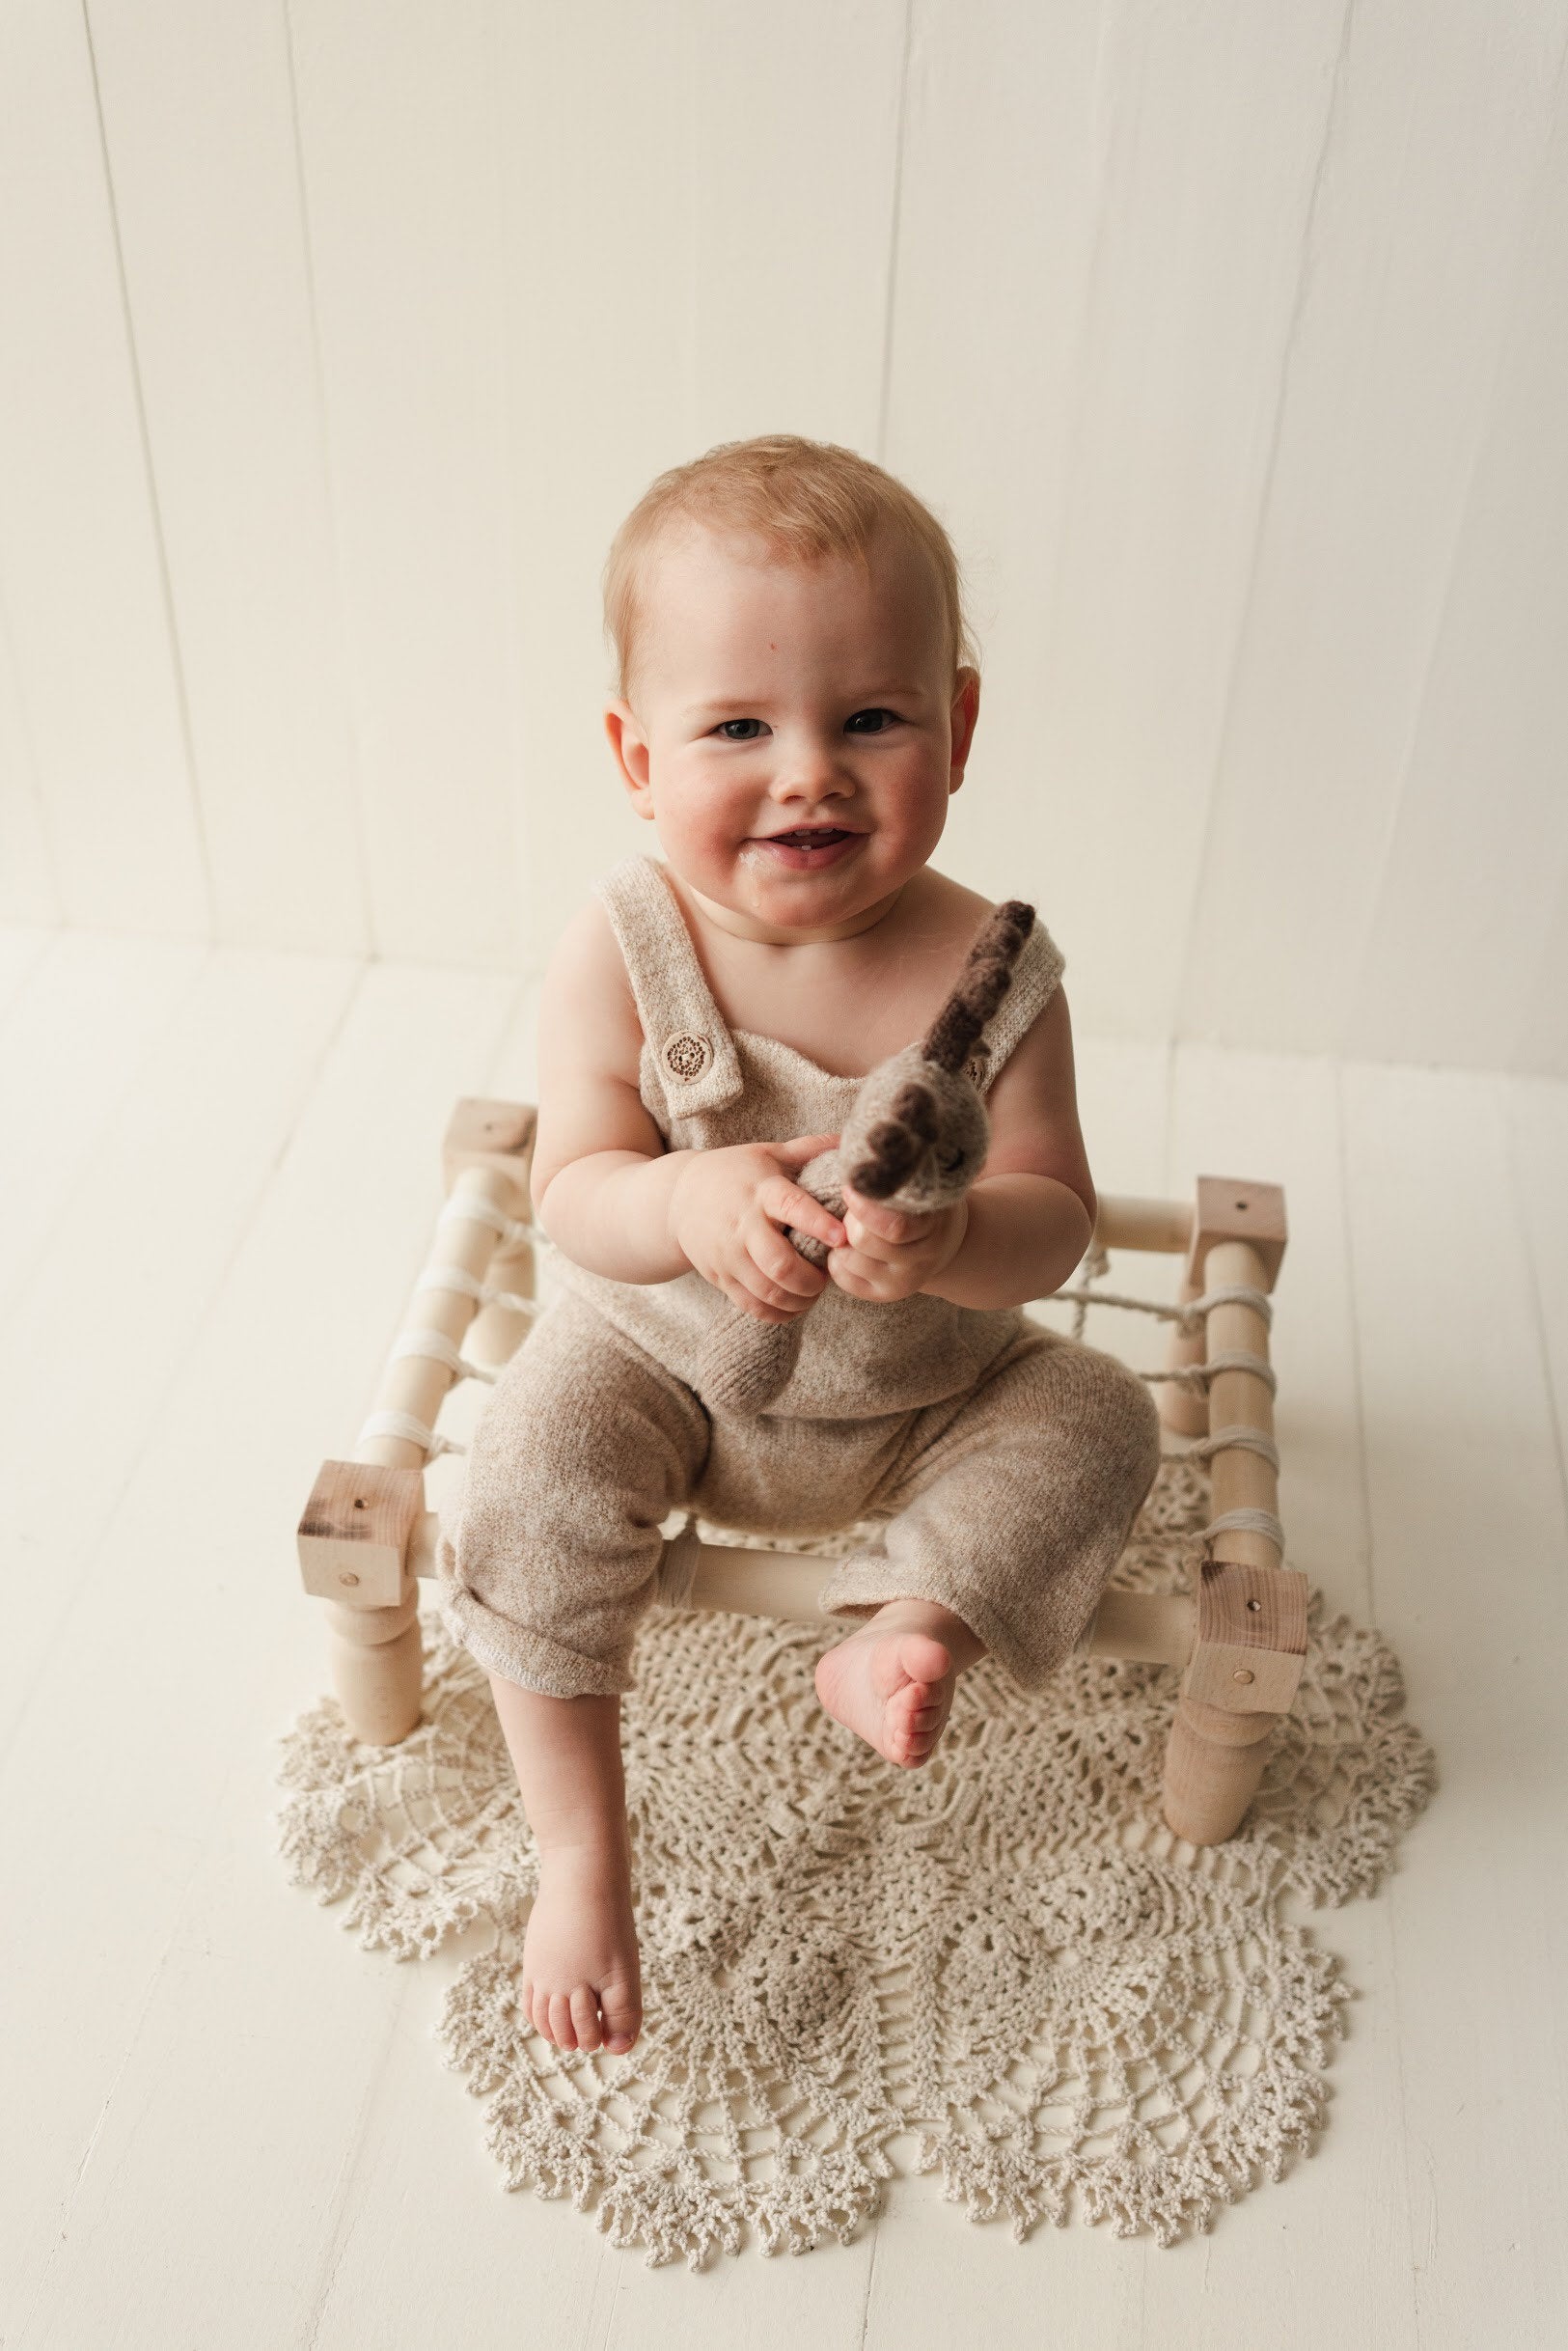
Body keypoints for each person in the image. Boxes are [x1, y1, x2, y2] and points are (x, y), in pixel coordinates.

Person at [435, 434, 1162, 2062]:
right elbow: (575, 1186)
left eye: (871, 719)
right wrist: (680, 1203)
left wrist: (955, 1242)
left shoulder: (996, 977)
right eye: (738, 729)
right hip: (661, 1374)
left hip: (922, 1397)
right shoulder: (621, 946)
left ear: (958, 726)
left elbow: (1054, 1218)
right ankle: (580, 1855)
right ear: (636, 756)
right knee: (524, 1472)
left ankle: (909, 1624)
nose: (809, 773)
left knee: (1099, 1418)